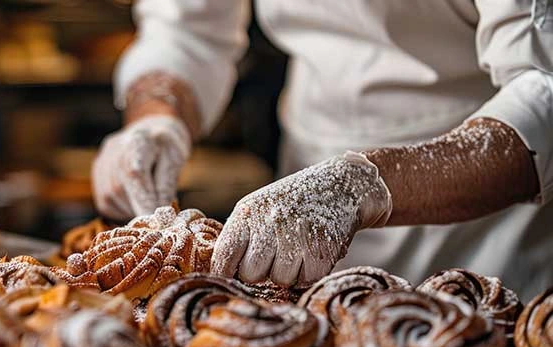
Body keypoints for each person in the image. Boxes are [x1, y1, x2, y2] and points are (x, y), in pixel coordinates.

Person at [92, 0, 553, 297]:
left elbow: (543, 89)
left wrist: (361, 186)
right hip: (303, 174)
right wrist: (157, 118)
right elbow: (187, 30)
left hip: (486, 210)